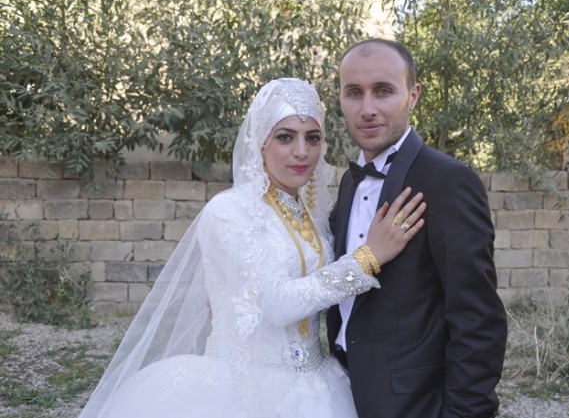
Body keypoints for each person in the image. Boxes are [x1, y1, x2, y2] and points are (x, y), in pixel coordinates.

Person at [78, 77, 426, 418]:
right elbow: (276, 304)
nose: (302, 151)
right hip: (242, 391)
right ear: (260, 142)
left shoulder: (313, 215)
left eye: (313, 137)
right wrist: (367, 258)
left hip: (318, 385)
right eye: (285, 137)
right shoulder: (228, 211)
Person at [327, 39, 508, 418]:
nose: (367, 108)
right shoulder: (349, 182)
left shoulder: (449, 181)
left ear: (413, 95)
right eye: (354, 93)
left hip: (415, 404)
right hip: (341, 393)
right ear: (340, 98)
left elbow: (478, 319)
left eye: (383, 91)